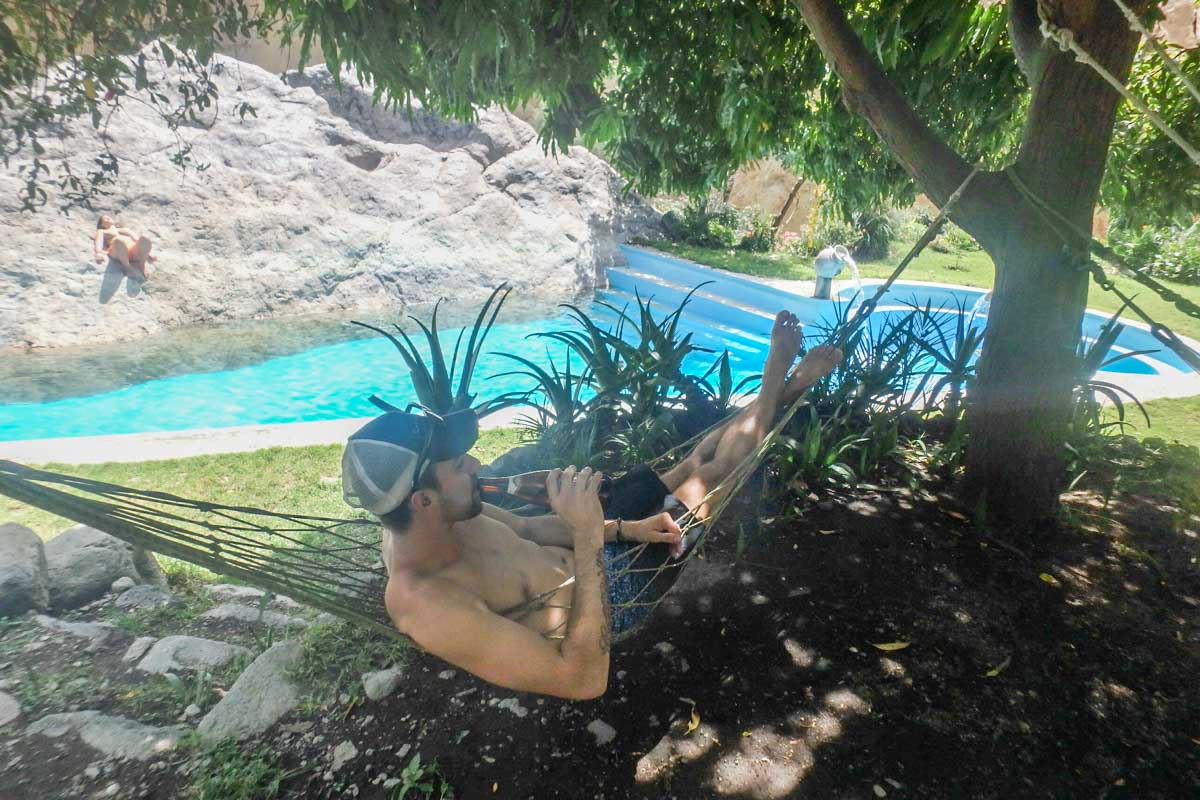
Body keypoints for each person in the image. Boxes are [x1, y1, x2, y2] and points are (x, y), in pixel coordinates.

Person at [341, 311, 843, 699]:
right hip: (615, 596)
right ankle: (783, 378)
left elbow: (530, 530)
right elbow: (581, 680)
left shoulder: (446, 513)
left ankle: (782, 388)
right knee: (710, 476)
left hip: (604, 539)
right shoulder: (429, 606)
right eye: (458, 466)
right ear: (424, 499)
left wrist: (626, 527)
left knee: (691, 458)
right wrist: (586, 534)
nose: (475, 466)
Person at [94, 214, 155, 279]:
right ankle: (127, 266)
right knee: (118, 240)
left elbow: (136, 239)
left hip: (133, 251)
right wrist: (98, 252)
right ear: (102, 225)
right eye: (105, 219)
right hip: (117, 251)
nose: (108, 218)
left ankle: (142, 264)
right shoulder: (102, 231)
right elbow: (99, 241)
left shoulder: (125, 230)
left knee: (144, 238)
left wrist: (147, 252)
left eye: (109, 217)